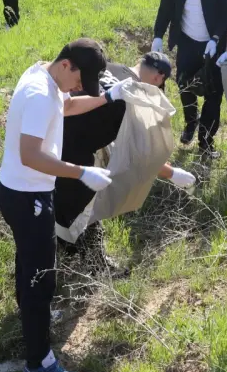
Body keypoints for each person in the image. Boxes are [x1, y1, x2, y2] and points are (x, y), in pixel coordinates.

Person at [0, 38, 131, 372]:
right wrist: (81, 172)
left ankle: (32, 320)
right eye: (78, 80)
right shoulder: (41, 96)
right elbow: (31, 155)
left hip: (17, 191)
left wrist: (106, 97)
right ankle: (39, 366)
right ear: (67, 65)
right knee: (42, 278)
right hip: (29, 197)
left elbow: (67, 106)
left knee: (29, 266)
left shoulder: (43, 75)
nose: (76, 88)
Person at [55, 52, 196, 266]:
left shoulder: (107, 68)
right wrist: (172, 173)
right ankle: (97, 266)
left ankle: (63, 255)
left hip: (54, 143)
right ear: (158, 78)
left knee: (57, 208)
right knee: (88, 212)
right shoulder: (135, 96)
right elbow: (142, 154)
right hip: (81, 157)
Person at [152, 0, 227, 155]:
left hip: (213, 44)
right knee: (184, 85)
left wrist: (215, 38)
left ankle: (206, 142)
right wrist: (158, 35)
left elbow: (226, 14)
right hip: (187, 40)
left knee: (214, 94)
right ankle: (191, 123)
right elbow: (166, 7)